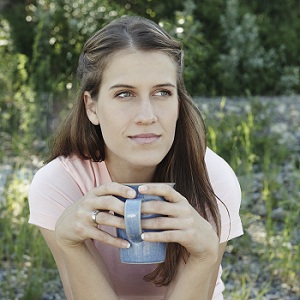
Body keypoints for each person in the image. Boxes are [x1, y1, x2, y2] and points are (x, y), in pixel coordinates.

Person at [28, 15, 243, 300]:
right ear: (91, 107)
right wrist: (72, 245)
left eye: (162, 92)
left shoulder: (212, 178)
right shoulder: (59, 184)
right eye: (125, 94)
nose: (147, 116)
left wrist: (203, 257)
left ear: (179, 102)